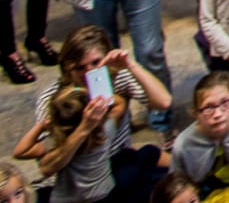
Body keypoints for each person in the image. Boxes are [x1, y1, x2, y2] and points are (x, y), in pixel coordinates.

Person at [24, 30, 169, 183]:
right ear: (67, 68)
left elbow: (163, 102)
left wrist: (131, 65)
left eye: (95, 63)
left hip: (118, 162)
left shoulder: (116, 78)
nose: (89, 72)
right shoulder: (53, 98)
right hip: (74, 177)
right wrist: (85, 128)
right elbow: (47, 164)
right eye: (80, 68)